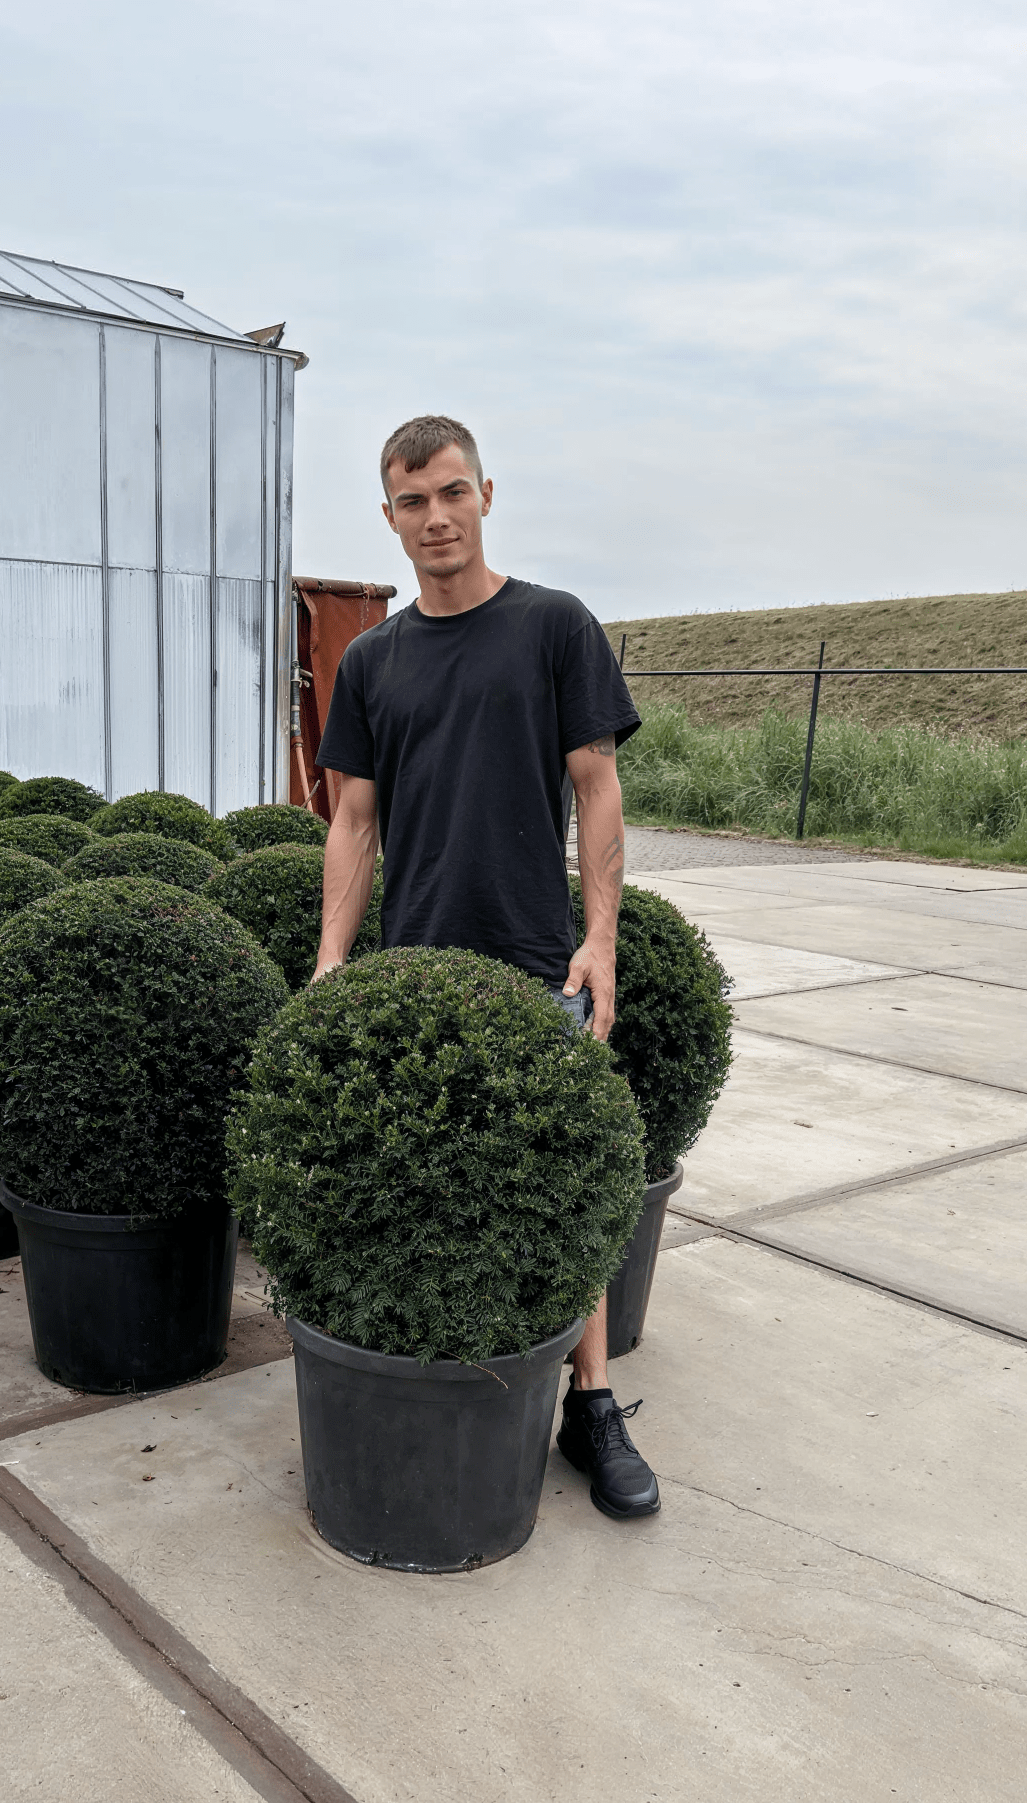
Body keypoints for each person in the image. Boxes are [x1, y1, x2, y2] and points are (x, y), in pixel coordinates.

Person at [311, 413, 659, 1520]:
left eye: (452, 492)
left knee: (569, 1174)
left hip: (534, 956)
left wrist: (599, 940)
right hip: (415, 967)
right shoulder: (372, 660)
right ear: (389, 517)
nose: (436, 518)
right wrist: (329, 960)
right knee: (424, 1179)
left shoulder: (554, 627)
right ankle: (453, 1375)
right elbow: (352, 818)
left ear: (487, 494)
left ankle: (590, 1404)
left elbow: (597, 785)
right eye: (413, 502)